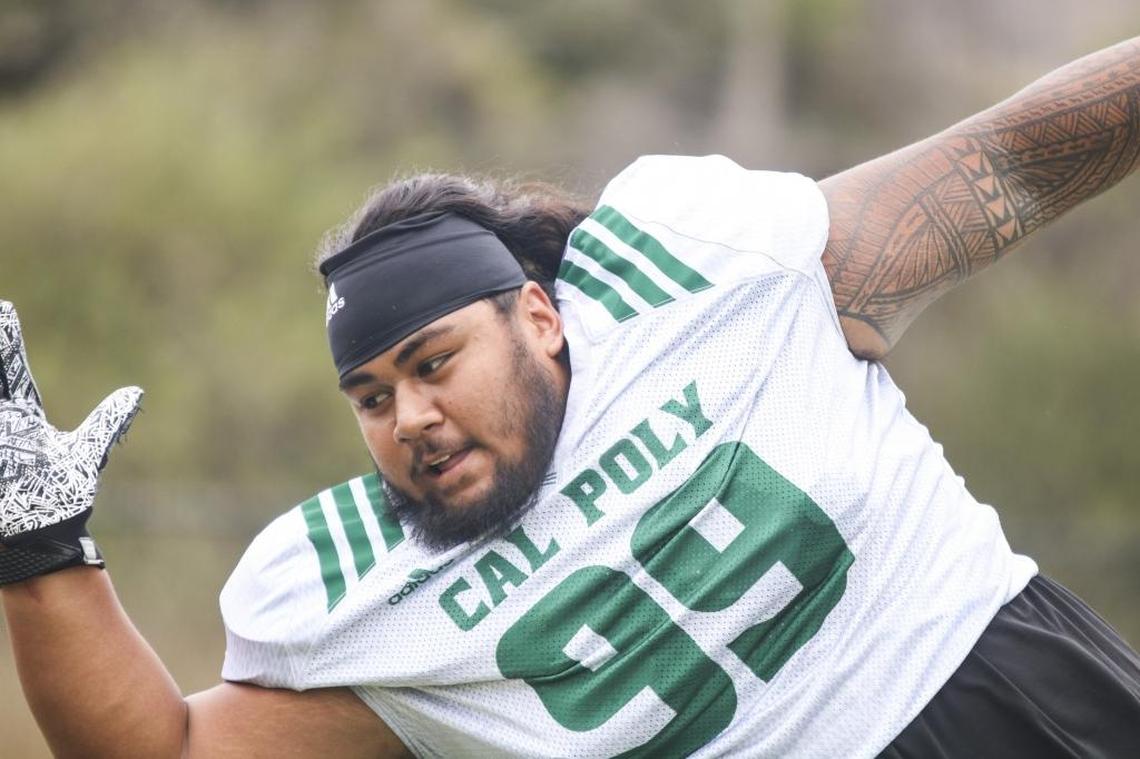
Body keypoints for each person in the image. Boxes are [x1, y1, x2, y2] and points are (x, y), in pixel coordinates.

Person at [2, 35, 1139, 758]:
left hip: (1015, 698)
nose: (409, 418)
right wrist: (38, 552)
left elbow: (1015, 160)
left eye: (434, 362)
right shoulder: (367, 593)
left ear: (540, 318)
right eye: (371, 394)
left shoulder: (697, 274)